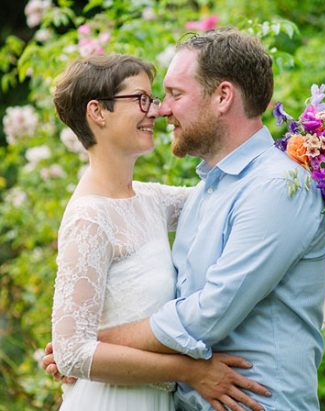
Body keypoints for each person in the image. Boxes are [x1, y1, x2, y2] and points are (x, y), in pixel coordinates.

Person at [95, 28, 325, 410]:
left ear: (223, 96)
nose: (161, 109)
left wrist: (97, 347)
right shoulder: (207, 190)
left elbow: (207, 316)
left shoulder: (277, 187)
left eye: (176, 94)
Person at [48, 53, 269, 411]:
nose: (154, 110)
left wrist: (316, 164)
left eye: (151, 99)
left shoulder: (153, 200)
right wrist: (190, 371)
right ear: (97, 112)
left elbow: (236, 196)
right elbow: (72, 353)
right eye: (140, 99)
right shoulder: (88, 217)